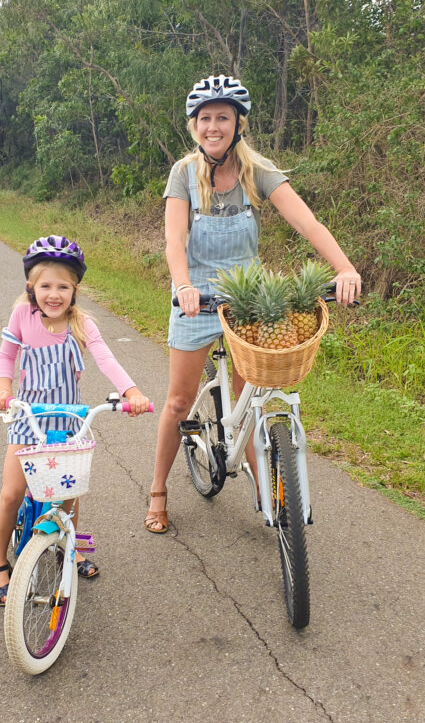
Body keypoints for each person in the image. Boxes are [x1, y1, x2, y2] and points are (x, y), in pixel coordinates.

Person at [144, 75, 362, 534]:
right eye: (205, 119)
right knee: (179, 401)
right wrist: (182, 284)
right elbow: (174, 238)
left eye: (222, 117)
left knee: (249, 400)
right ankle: (158, 490)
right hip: (196, 297)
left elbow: (308, 223)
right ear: (194, 126)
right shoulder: (183, 173)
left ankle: (266, 493)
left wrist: (344, 268)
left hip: (245, 299)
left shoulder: (256, 170)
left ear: (238, 123)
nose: (213, 126)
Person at [0, 235, 151, 604]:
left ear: (75, 289)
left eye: (63, 286)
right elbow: (5, 357)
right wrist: (4, 389)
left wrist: (132, 393)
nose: (54, 294)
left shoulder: (81, 323)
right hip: (27, 417)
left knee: (69, 493)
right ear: (31, 287)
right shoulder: (22, 317)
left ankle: (70, 546)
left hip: (67, 418)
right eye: (45, 285)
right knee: (12, 492)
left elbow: (106, 359)